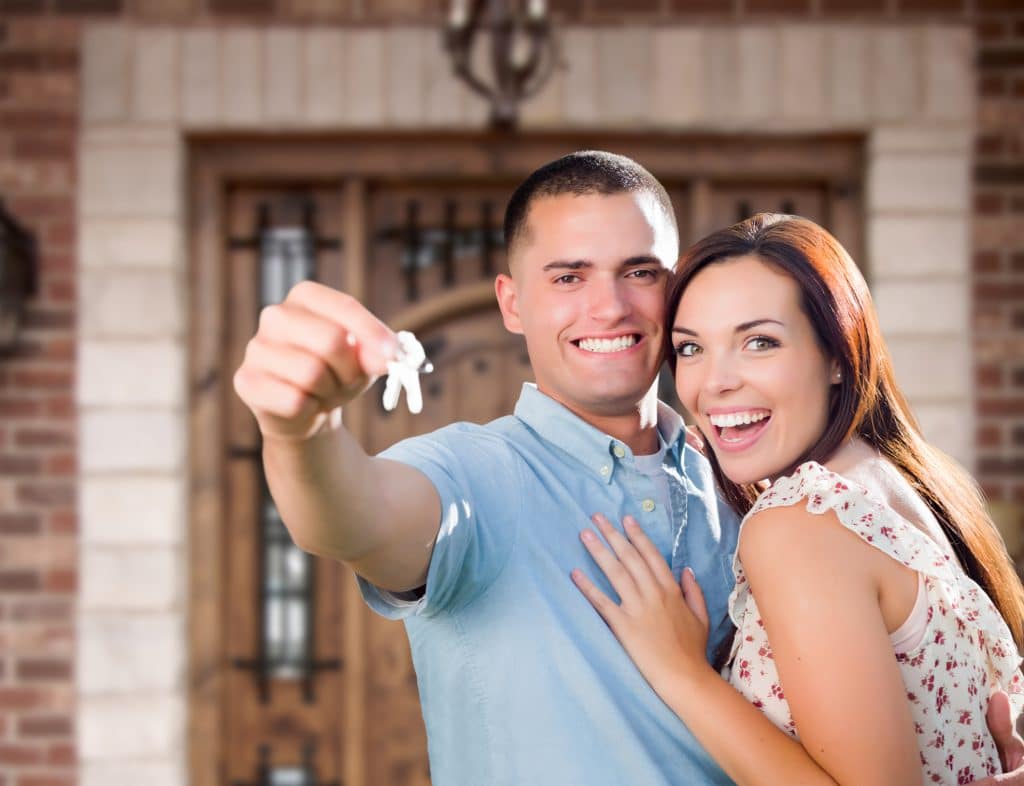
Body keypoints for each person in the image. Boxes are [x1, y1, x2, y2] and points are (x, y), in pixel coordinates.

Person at [234, 151, 742, 785]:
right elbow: (351, 520)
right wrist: (300, 432)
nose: (610, 307)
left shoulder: (734, 476)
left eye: (639, 272)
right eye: (568, 277)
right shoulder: (475, 471)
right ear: (512, 303)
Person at [572, 212, 1024, 785]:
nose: (714, 383)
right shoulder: (905, 481)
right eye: (691, 349)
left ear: (838, 355)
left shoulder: (800, 523)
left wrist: (681, 673)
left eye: (759, 342)